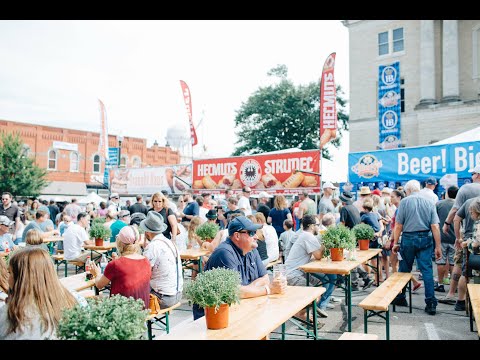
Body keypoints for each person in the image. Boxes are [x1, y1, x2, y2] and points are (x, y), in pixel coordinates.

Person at [193, 216, 285, 320]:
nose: (256, 236)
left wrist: (247, 290)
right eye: (251, 233)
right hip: (212, 316)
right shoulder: (225, 253)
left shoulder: (252, 249)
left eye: (255, 232)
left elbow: (265, 278)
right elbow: (235, 292)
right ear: (237, 235)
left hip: (238, 307)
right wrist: (268, 289)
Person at [0, 247, 77, 339]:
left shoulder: (12, 313)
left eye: (10, 273)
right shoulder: (71, 301)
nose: (8, 278)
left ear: (22, 279)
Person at [392, 180, 441, 315]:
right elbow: (435, 226)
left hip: (408, 238)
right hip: (425, 237)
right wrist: (438, 246)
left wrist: (395, 242)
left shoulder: (404, 203)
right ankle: (431, 302)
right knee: (427, 271)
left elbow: (398, 225)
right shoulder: (429, 202)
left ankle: (401, 297)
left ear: (407, 191)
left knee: (404, 269)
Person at [285, 214, 337, 318]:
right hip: (293, 274)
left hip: (298, 271)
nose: (319, 227)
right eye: (318, 224)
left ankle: (312, 309)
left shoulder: (305, 235)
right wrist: (325, 242)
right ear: (312, 226)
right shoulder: (308, 236)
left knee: (322, 282)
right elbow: (318, 256)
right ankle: (300, 313)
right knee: (315, 293)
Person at [90, 226, 151, 309]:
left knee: (92, 300)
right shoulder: (146, 261)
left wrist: (96, 273)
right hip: (142, 310)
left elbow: (99, 285)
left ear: (120, 243)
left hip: (121, 313)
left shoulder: (115, 264)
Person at [141, 211, 183, 309]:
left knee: (130, 297)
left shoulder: (153, 246)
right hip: (178, 294)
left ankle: (140, 324)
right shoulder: (170, 242)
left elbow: (143, 274)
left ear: (147, 231)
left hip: (164, 298)